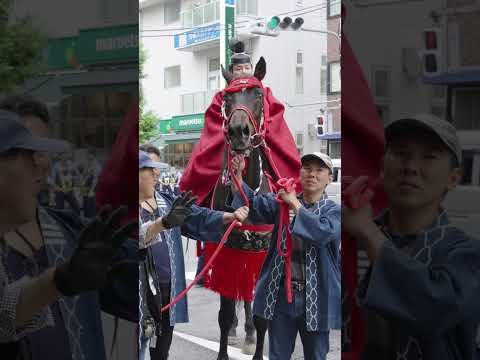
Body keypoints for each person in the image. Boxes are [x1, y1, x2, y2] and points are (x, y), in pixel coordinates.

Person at [0, 110, 138, 360]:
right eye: (30, 154)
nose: (41, 165)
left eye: (43, 154)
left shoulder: (74, 230)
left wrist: (160, 228)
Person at [342, 114, 480, 359]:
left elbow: (435, 310)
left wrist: (368, 233)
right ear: (383, 168)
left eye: (429, 157)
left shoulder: (466, 254)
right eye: (401, 153)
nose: (411, 167)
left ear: (453, 178)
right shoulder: (351, 241)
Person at [138, 150, 249, 360]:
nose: (156, 174)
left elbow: (199, 216)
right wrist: (162, 223)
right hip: (139, 295)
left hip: (168, 293)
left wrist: (230, 215)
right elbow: (137, 236)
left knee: (161, 352)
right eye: (149, 170)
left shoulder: (168, 201)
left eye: (156, 170)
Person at [230, 151, 341, 360]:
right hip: (281, 296)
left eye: (320, 170)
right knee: (277, 355)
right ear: (299, 174)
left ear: (330, 179)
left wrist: (295, 204)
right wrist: (238, 176)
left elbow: (322, 233)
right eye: (307, 168)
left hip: (317, 296)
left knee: (316, 356)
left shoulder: (333, 211)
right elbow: (252, 205)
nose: (312, 174)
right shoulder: (281, 203)